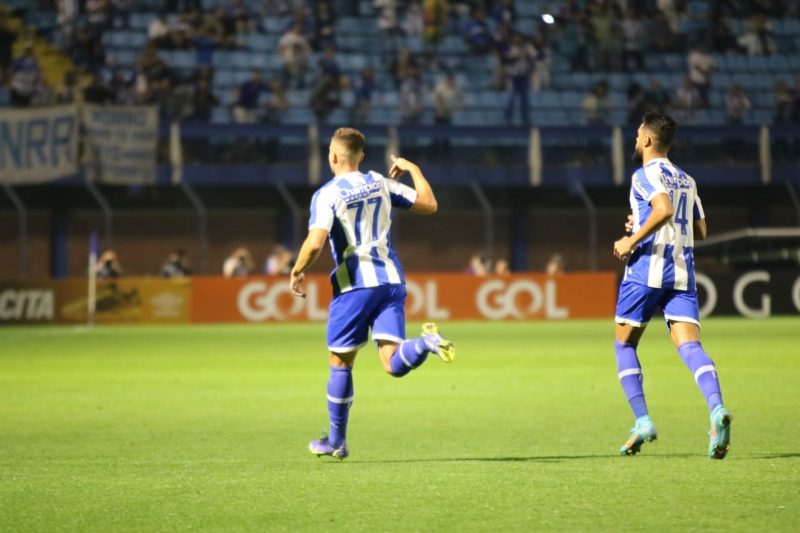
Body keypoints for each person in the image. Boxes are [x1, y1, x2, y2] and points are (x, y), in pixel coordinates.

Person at [289, 127, 455, 461]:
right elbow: (430, 204)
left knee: (340, 363)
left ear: (333, 157)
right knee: (392, 363)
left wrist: (297, 269)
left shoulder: (327, 194)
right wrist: (414, 169)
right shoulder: (380, 182)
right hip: (391, 280)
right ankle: (425, 342)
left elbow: (316, 242)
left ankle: (336, 441)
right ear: (362, 156)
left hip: (354, 286)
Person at [612, 112, 732, 459]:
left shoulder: (643, 175)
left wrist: (631, 239)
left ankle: (643, 421)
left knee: (624, 345)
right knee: (690, 347)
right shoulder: (687, 179)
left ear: (648, 140)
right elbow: (701, 230)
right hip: (682, 272)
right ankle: (716, 410)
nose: (635, 141)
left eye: (637, 135)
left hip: (647, 270)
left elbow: (662, 209)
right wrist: (648, 221)